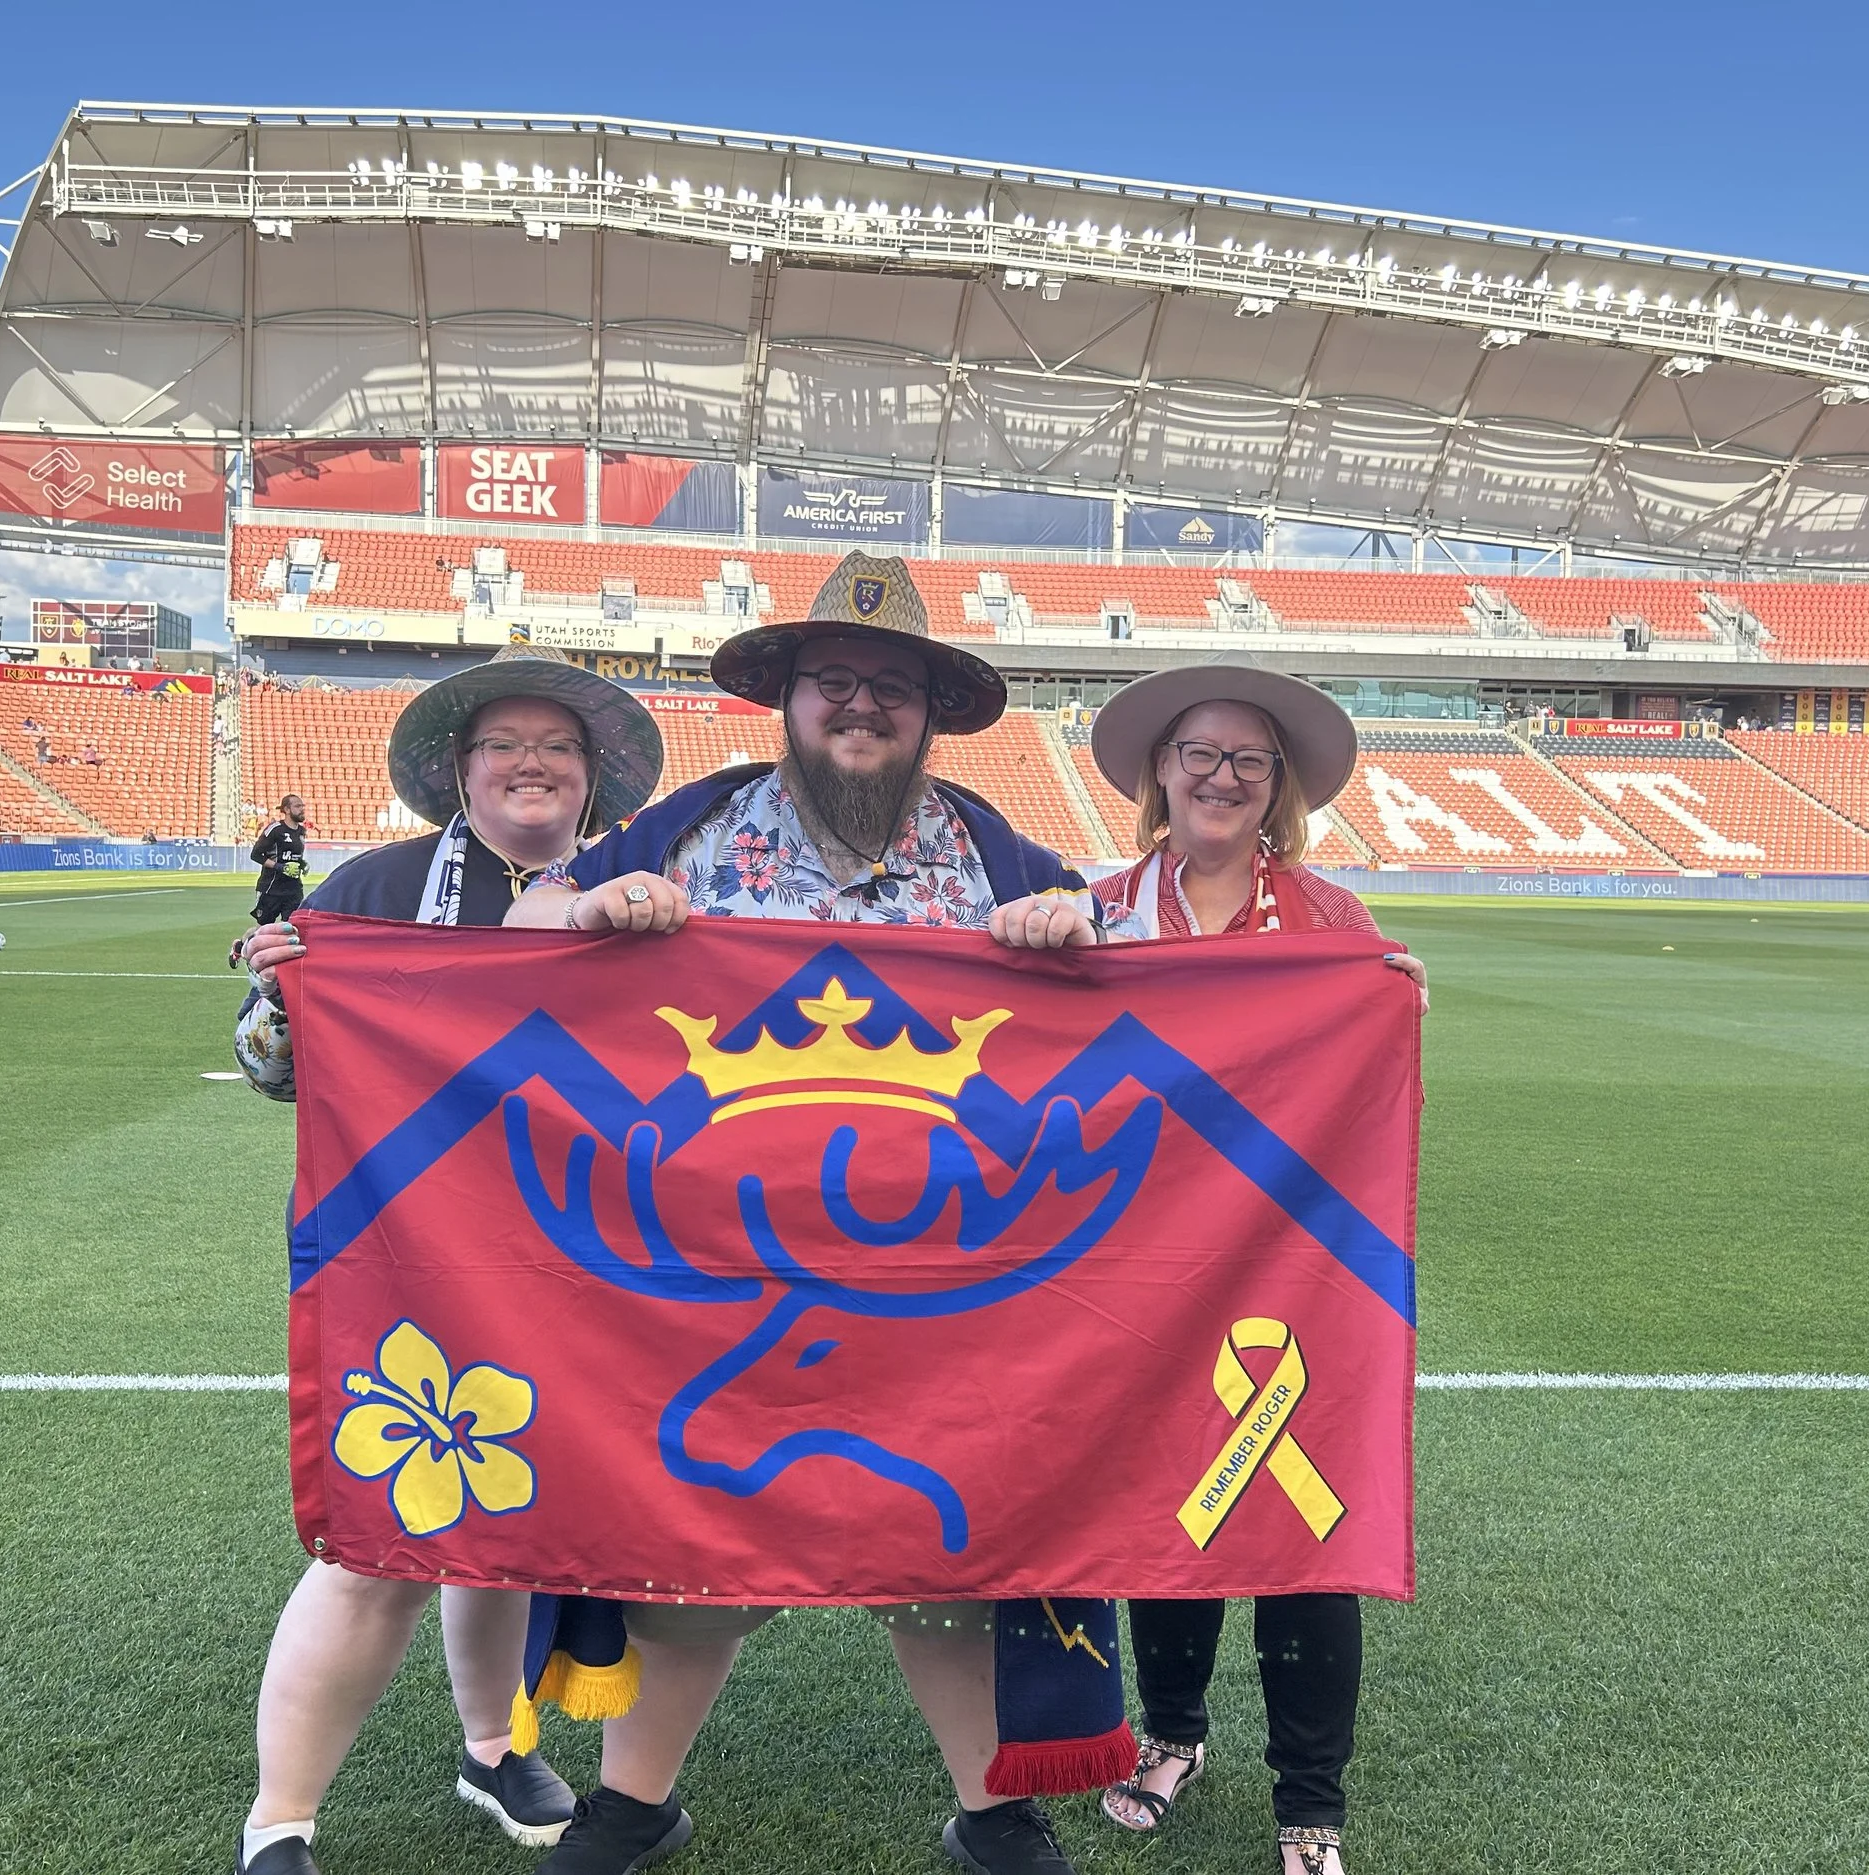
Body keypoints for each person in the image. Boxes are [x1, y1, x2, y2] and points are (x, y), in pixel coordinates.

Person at [504, 552, 1126, 1875]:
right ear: (784, 696)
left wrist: (1072, 925)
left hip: (944, 1275)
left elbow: (1110, 984)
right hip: (715, 1267)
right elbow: (526, 922)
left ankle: (993, 1803)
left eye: (889, 686)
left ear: (930, 710)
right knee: (697, 1545)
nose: (860, 705)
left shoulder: (989, 847)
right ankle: (634, 1799)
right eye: (832, 680)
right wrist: (590, 903)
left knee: (951, 1545)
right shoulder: (693, 826)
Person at [229, 647, 667, 1875]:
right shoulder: (374, 886)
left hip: (581, 1262)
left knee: (514, 1504)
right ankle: (281, 1818)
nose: (532, 766)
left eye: (557, 749)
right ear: (459, 772)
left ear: (592, 777)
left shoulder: (646, 889)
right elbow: (276, 1073)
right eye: (504, 748)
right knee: (381, 1536)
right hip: (403, 1255)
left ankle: (492, 1745)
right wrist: (275, 1001)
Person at [1081, 658, 1424, 1875]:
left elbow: (1365, 1079)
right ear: (1160, 773)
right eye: (1201, 755)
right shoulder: (1098, 908)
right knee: (1166, 1505)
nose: (1221, 778)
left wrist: (1392, 1000)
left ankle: (1309, 1804)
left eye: (1248, 761)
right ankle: (1172, 1736)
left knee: (1304, 1528)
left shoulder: (1333, 923)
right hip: (1143, 1268)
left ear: (1275, 788)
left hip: (1296, 1269)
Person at [249, 796, 309, 926]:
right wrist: (280, 867)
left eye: (302, 806)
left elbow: (294, 856)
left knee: (292, 928)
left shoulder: (301, 831)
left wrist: (303, 864)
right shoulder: (275, 829)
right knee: (263, 930)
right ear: (287, 809)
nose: (302, 809)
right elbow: (256, 855)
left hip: (293, 889)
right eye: (298, 806)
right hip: (271, 887)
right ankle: (241, 945)